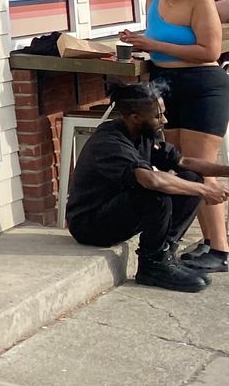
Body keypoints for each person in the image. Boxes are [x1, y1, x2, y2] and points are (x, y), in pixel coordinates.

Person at [118, 0, 229, 272]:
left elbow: (208, 51)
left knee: (200, 167)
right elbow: (160, 38)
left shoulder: (199, 0)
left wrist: (151, 43)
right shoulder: (154, 0)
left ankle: (220, 248)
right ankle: (181, 241)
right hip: (165, 84)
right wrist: (138, 42)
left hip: (202, 86)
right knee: (178, 166)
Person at [66, 82, 229, 291]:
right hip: (90, 225)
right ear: (135, 117)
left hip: (117, 210)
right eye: (158, 116)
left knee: (192, 178)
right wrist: (205, 191)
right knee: (155, 194)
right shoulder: (110, 142)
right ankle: (152, 265)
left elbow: (184, 163)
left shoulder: (142, 134)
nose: (165, 120)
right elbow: (150, 181)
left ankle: (165, 253)